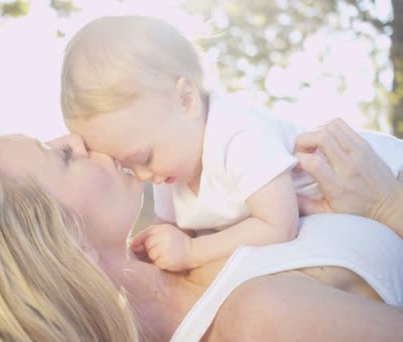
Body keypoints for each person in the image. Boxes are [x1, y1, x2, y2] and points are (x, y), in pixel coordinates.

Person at [0, 132, 401, 341]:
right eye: (59, 159)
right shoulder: (254, 323)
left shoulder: (189, 221)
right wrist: (386, 205)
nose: (78, 138)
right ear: (54, 246)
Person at [60, 15, 403, 272]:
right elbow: (176, 229)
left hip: (383, 173)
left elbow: (278, 225)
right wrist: (153, 248)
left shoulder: (240, 136)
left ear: (186, 100)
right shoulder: (170, 169)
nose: (144, 175)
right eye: (127, 165)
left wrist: (193, 253)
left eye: (143, 157)